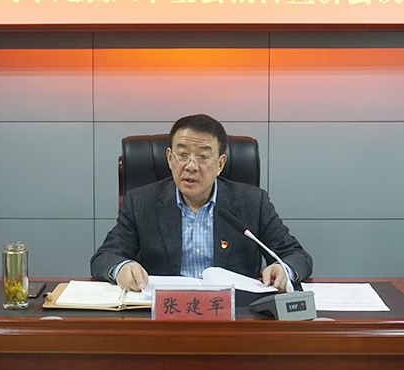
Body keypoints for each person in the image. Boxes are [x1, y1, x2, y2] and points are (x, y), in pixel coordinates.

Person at [91, 114, 312, 292]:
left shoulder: (253, 202)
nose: (191, 166)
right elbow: (104, 257)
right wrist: (122, 268)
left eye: (203, 157)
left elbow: (297, 256)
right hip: (164, 316)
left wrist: (285, 270)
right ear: (169, 158)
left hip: (234, 318)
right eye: (182, 155)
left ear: (220, 164)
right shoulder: (141, 202)